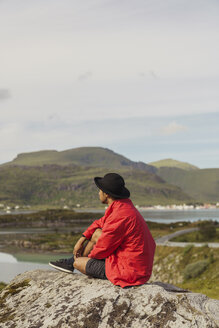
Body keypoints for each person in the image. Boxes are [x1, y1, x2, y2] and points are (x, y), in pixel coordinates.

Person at [49, 173, 156, 288]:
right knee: (97, 233)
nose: (98, 193)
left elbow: (103, 249)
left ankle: (72, 262)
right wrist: (82, 239)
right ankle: (70, 262)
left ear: (106, 194)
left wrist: (86, 258)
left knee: (78, 263)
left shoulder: (120, 214)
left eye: (100, 190)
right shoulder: (122, 206)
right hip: (133, 263)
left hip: (130, 271)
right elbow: (99, 223)